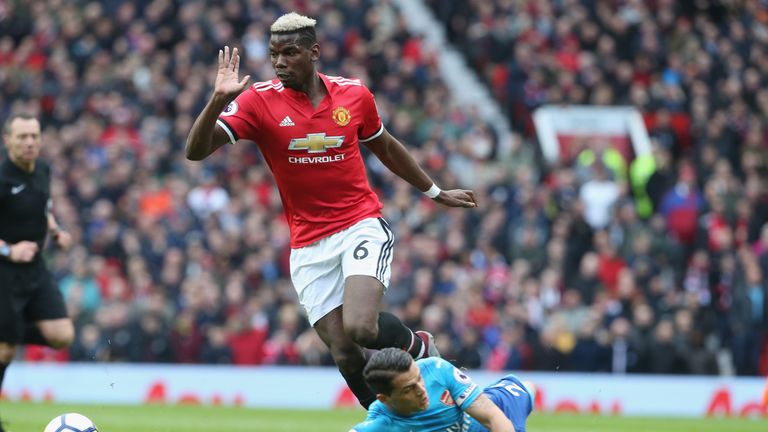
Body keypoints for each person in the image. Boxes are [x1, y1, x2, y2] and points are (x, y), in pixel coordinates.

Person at [185, 12, 477, 408]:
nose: (280, 62)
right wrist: (218, 100)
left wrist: (434, 191)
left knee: (360, 326)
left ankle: (419, 345)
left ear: (314, 52)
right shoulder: (258, 101)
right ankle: (390, 419)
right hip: (308, 244)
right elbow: (196, 151)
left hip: (360, 224)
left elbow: (385, 146)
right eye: (274, 54)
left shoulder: (354, 95)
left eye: (290, 52)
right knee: (344, 354)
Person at [0, 113, 75, 431]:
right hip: (3, 270)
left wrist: (56, 230)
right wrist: (8, 249)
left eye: (34, 136)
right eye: (22, 137)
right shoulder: (2, 178)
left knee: (62, 335)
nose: (29, 142)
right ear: (8, 141)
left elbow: (43, 206)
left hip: (35, 269)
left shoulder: (43, 170)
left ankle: (11, 329)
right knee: (5, 350)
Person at [350, 348, 535, 432]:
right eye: (409, 389)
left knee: (527, 388)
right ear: (384, 399)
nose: (421, 389)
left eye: (419, 379)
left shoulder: (435, 369)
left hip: (500, 412)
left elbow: (493, 417)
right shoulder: (380, 423)